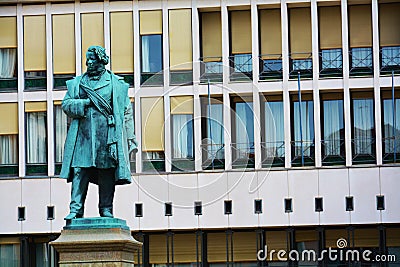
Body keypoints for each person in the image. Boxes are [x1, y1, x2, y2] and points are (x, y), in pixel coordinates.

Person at [60, 45, 137, 220]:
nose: (88, 62)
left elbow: (126, 113)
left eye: (92, 59)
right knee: (79, 171)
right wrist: (84, 103)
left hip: (107, 135)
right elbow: (66, 105)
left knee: (106, 172)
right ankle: (76, 209)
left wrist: (130, 137)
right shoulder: (77, 83)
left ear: (102, 60)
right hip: (83, 135)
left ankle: (106, 209)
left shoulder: (117, 85)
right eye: (87, 59)